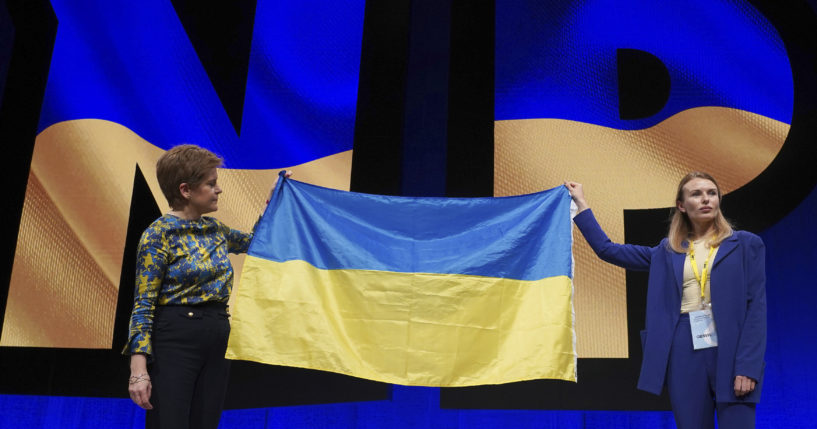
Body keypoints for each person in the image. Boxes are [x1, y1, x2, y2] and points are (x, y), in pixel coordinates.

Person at [565, 172, 766, 429]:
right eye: (696, 194)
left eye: (711, 193)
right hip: (683, 344)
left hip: (731, 346)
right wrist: (581, 205)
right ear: (682, 206)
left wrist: (747, 367)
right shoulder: (666, 251)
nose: (706, 199)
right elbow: (607, 249)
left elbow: (756, 308)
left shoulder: (747, 245)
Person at [124, 144, 286, 428]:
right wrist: (138, 370)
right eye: (211, 184)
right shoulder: (158, 234)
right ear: (186, 190)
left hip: (217, 335)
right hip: (176, 337)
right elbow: (143, 304)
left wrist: (272, 203)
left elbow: (256, 243)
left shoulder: (215, 229)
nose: (218, 190)